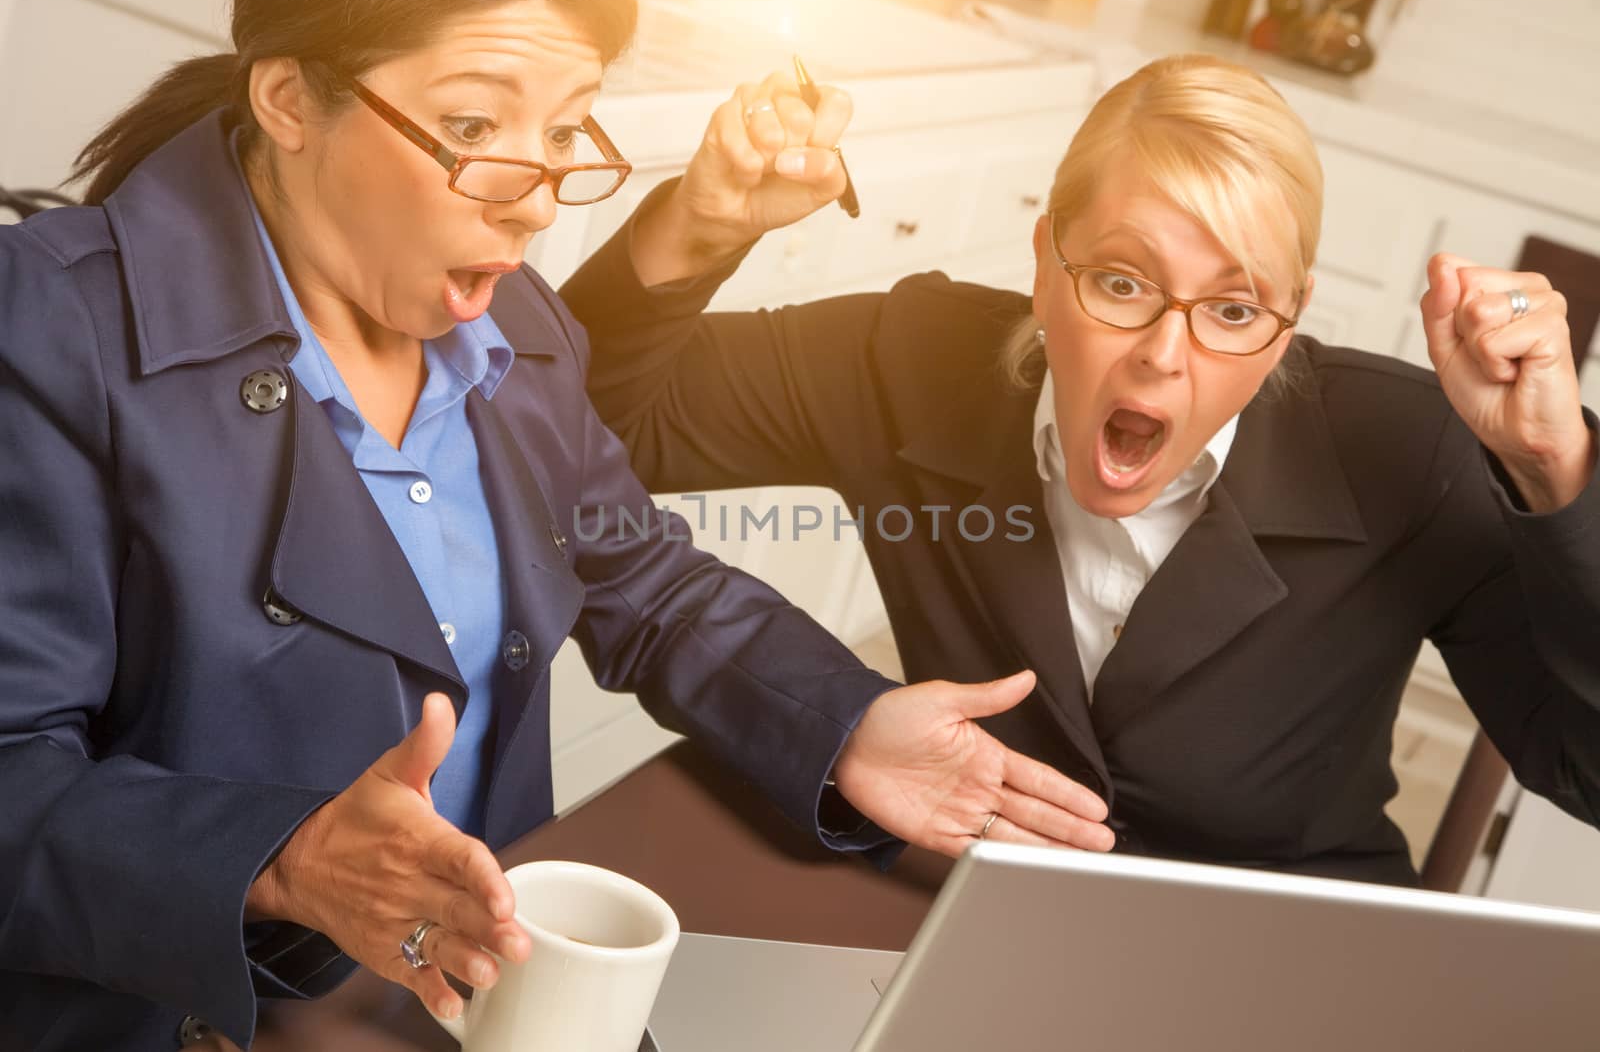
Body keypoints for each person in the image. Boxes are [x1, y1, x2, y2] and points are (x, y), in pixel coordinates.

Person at [0, 0, 1116, 1049]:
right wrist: (284, 863)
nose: (534, 195)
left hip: (477, 974)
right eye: (474, 121)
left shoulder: (516, 321)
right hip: (205, 1005)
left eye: (571, 127)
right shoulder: (49, 326)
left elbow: (647, 584)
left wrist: (848, 718)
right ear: (289, 99)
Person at [569, 54, 1600, 890]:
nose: (1163, 351)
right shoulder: (907, 356)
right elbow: (585, 426)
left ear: (1288, 324)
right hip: (967, 915)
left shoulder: (1411, 447)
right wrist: (696, 225)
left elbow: (1585, 767)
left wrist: (1558, 469)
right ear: (1043, 261)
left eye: (1233, 308)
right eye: (1119, 279)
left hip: (1285, 965)